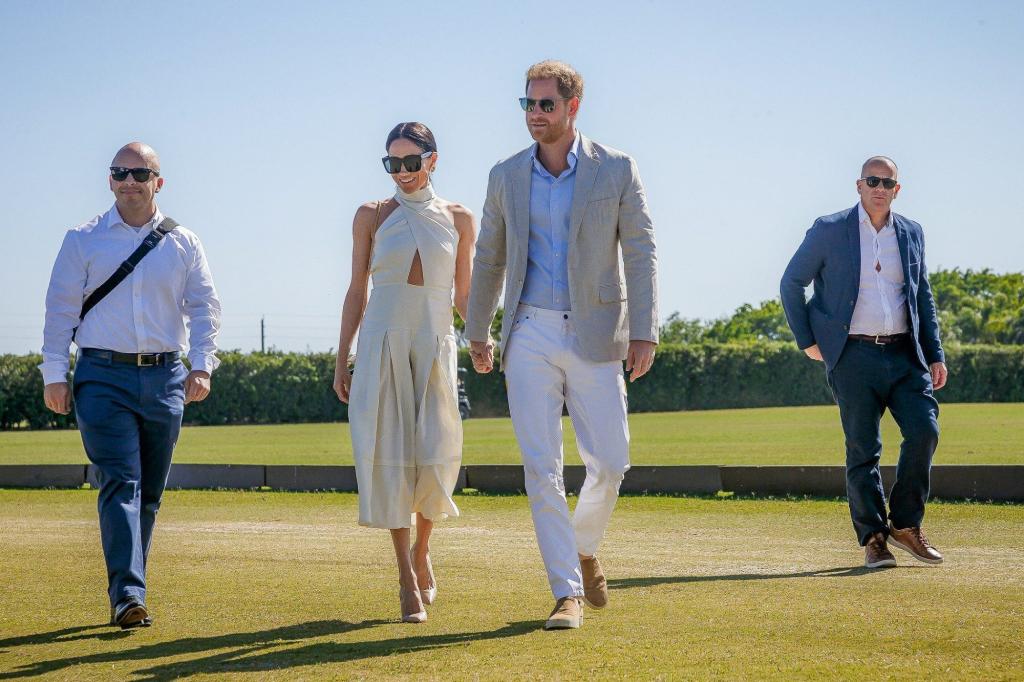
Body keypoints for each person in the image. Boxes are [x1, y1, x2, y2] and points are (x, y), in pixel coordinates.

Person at [466, 60, 658, 630]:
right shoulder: (505, 174)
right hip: (529, 331)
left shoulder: (617, 168)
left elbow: (641, 252)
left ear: (573, 107)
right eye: (528, 104)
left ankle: (582, 546)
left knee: (613, 462)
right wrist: (478, 330)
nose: (535, 115)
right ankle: (566, 592)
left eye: (546, 105)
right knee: (541, 466)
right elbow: (489, 257)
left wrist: (645, 330)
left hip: (598, 331)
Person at [40, 142, 221, 628]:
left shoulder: (184, 242)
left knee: (151, 493)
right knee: (121, 483)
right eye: (121, 172)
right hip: (102, 376)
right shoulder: (82, 240)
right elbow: (60, 311)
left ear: (158, 182)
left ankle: (130, 583)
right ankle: (128, 596)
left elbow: (204, 308)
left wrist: (201, 366)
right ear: (110, 180)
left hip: (166, 377)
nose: (130, 180)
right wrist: (55, 374)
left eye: (141, 173)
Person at [333, 122, 476, 623]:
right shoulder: (371, 215)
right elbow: (357, 290)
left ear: (432, 160)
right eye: (392, 164)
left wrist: (481, 336)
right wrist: (342, 355)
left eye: (411, 163)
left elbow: (463, 295)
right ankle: (404, 575)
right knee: (390, 453)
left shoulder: (458, 219)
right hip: (381, 343)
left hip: (435, 344)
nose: (402, 173)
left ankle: (423, 549)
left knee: (435, 454)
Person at [780, 156, 948, 569]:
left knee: (925, 431)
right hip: (852, 356)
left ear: (897, 189)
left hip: (906, 354)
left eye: (887, 182)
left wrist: (935, 352)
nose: (879, 188)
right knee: (863, 450)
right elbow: (791, 282)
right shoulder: (829, 229)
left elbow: (921, 295)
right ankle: (874, 538)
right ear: (858, 186)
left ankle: (906, 526)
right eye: (872, 180)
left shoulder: (911, 233)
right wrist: (808, 341)